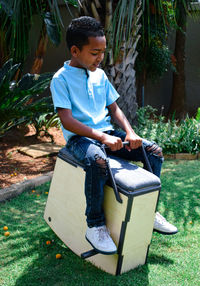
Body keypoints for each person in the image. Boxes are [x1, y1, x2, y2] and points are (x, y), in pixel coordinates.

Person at [50, 16, 178, 255]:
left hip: (109, 135)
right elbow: (67, 120)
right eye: (94, 52)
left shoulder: (100, 75)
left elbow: (115, 108)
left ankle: (148, 210)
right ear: (75, 51)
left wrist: (130, 132)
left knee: (154, 152)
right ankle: (95, 225)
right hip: (82, 139)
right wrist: (101, 137)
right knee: (98, 160)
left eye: (103, 52)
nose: (100, 58)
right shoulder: (61, 79)